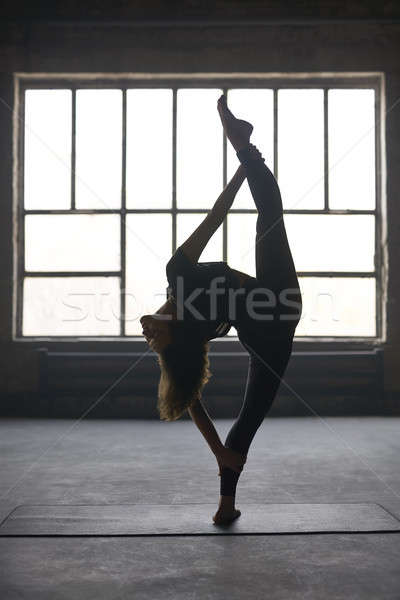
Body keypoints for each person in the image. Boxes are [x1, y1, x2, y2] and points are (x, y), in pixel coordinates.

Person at [140, 95, 302, 525]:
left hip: (266, 304)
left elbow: (217, 214)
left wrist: (243, 164)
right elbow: (191, 401)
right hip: (278, 315)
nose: (146, 334)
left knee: (268, 214)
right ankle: (227, 493)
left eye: (148, 335)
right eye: (155, 342)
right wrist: (218, 450)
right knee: (249, 418)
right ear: (175, 340)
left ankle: (241, 140)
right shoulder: (188, 339)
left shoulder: (178, 271)